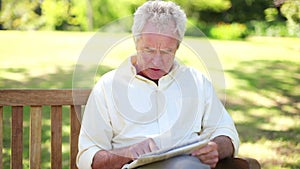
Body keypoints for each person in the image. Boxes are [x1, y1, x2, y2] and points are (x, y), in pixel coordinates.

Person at [76, 1, 240, 169]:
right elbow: (88, 158)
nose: (157, 61)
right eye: (149, 50)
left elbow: (226, 133)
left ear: (177, 48)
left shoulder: (197, 82)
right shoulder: (108, 86)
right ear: (135, 42)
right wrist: (129, 153)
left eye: (166, 52)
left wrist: (216, 148)